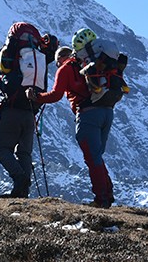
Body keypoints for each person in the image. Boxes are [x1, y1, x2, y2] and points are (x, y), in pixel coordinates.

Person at [26, 37, 116, 208]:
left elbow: (55, 95)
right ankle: (108, 193)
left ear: (59, 59)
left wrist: (36, 97)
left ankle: (101, 199)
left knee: (92, 157)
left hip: (88, 116)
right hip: (107, 112)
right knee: (97, 156)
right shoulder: (88, 65)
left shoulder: (65, 69)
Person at [0, 57, 38, 198]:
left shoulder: (0, 68)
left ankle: (20, 179)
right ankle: (23, 192)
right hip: (29, 115)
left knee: (2, 149)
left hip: (10, 113)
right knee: (24, 153)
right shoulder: (31, 69)